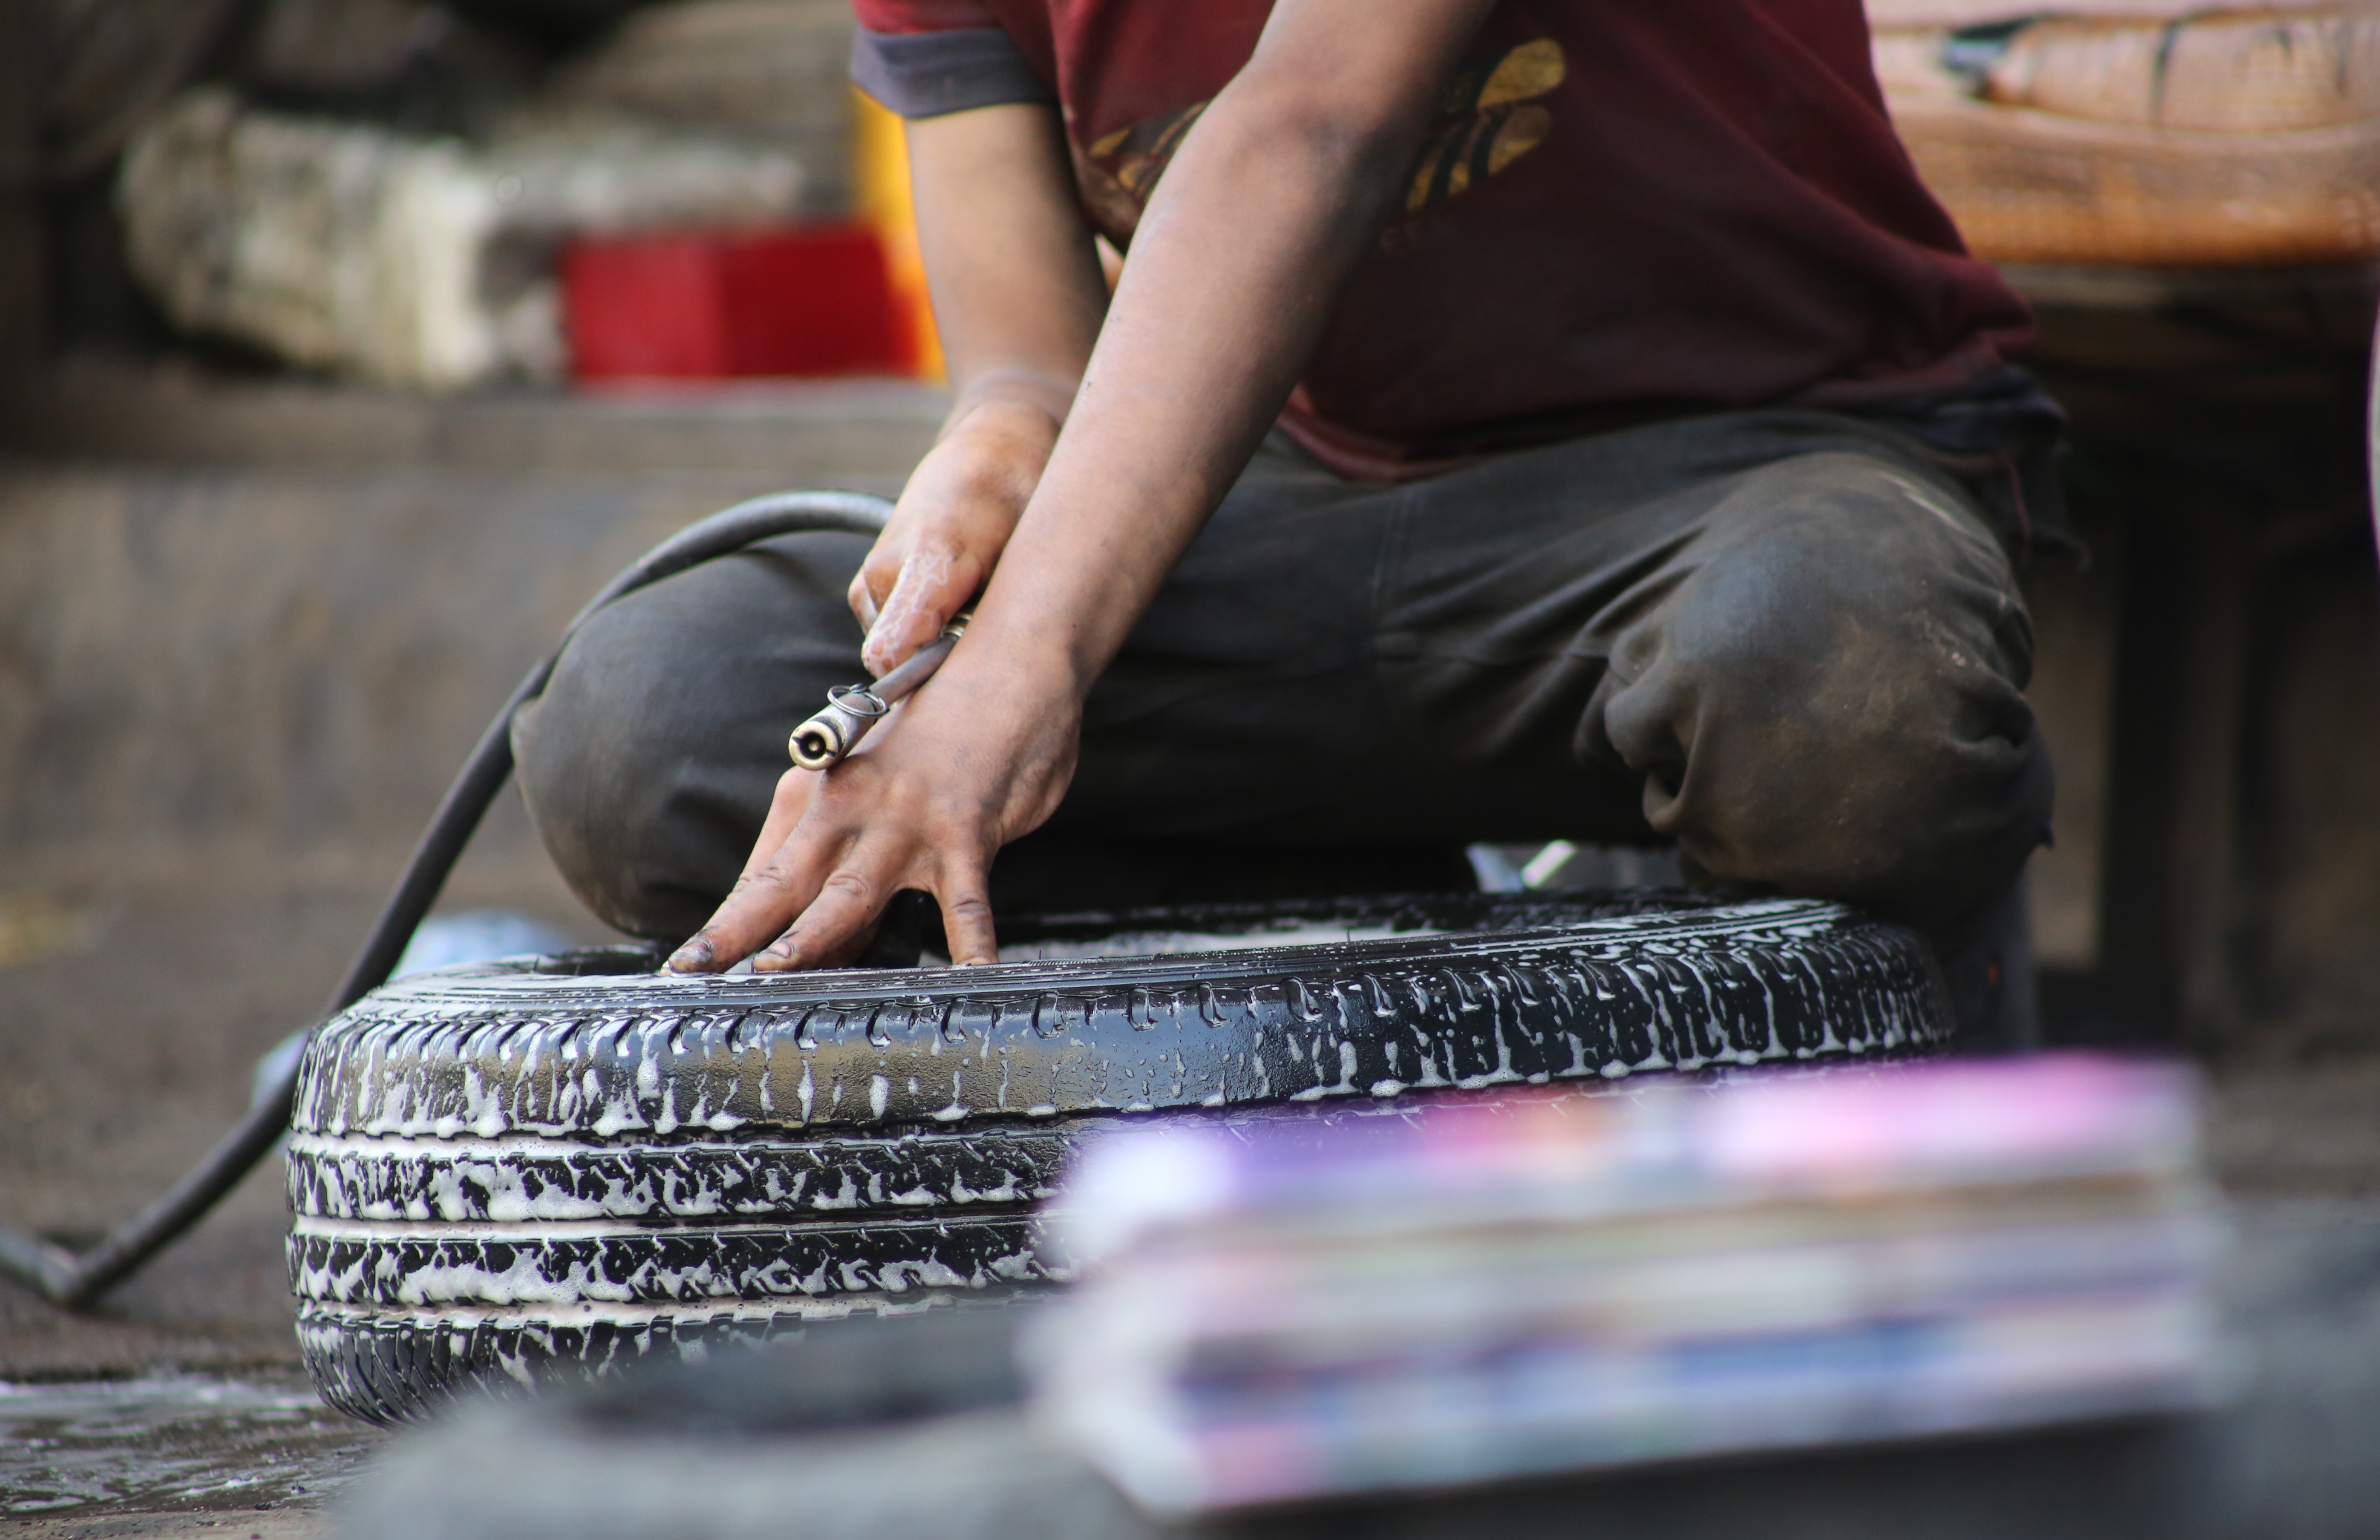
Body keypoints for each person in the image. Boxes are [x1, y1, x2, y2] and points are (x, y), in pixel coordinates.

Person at [513, 0, 2062, 979]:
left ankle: (1758, 990)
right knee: (657, 717)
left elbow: (1312, 122)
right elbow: (1028, 359)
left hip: (1752, 465)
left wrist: (1024, 666)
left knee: (1845, 677)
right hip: (1310, 491)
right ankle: (1367, 925)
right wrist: (998, 446)